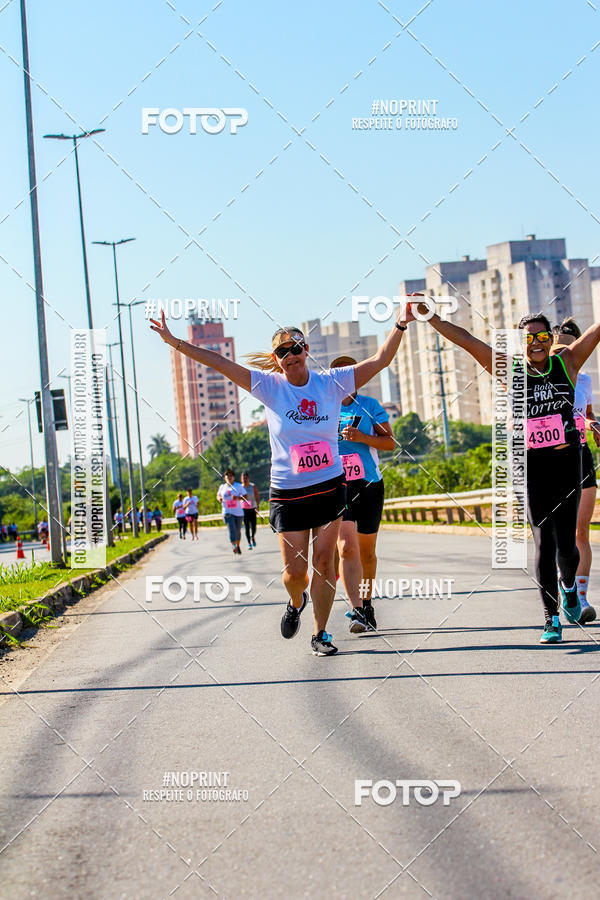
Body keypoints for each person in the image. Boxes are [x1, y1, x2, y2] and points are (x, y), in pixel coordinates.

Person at [150, 308, 408, 656]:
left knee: (324, 562)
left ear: (306, 351)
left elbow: (381, 359)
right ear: (276, 360)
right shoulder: (268, 386)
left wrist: (401, 322)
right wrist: (173, 341)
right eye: (282, 352)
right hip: (289, 491)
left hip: (330, 485)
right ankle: (295, 600)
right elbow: (218, 363)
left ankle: (320, 633)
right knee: (296, 574)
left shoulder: (330, 382)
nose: (290, 356)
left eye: (296, 348)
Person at [408, 300, 600, 643]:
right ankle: (550, 618)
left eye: (542, 336)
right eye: (528, 338)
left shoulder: (567, 362)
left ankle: (569, 587)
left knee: (567, 545)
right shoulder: (508, 369)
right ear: (519, 342)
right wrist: (429, 316)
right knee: (543, 539)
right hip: (530, 465)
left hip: (566, 461)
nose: (536, 343)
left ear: (550, 339)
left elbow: (595, 331)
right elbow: (466, 340)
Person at [330, 356, 395, 633]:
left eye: (349, 374)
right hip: (338, 486)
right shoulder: (324, 408)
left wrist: (362, 438)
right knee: (346, 547)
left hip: (368, 484)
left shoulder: (370, 406)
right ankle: (356, 609)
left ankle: (367, 604)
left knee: (367, 553)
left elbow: (390, 443)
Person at [552, 318, 599, 624]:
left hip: (581, 456)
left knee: (582, 531)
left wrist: (594, 424)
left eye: (566, 348)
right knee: (561, 536)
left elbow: (588, 414)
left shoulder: (584, 381)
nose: (561, 354)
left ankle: (580, 598)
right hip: (550, 461)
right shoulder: (541, 377)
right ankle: (564, 586)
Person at [217, 470, 247, 553]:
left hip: (238, 512)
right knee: (232, 529)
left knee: (238, 531)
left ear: (233, 477)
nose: (229, 478)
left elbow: (245, 496)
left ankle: (237, 545)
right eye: (227, 476)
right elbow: (218, 495)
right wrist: (219, 498)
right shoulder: (222, 487)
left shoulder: (238, 486)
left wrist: (237, 498)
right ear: (225, 478)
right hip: (227, 511)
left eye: (231, 476)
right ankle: (234, 546)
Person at [241, 472, 260, 549]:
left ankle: (253, 537)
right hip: (244, 510)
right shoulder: (240, 487)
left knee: (253, 526)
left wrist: (258, 506)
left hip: (252, 508)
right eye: (243, 478)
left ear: (248, 478)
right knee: (247, 527)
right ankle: (249, 542)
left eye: (246, 478)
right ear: (241, 479)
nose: (245, 479)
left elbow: (257, 496)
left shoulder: (253, 486)